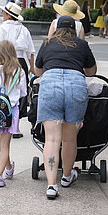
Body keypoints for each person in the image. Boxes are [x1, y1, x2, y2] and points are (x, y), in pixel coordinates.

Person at [34, 16, 97, 200]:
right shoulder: (82, 45)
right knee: (70, 138)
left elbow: (38, 71)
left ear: (57, 28)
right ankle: (67, 177)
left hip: (51, 85)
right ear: (75, 30)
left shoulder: (47, 43)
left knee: (52, 139)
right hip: (75, 85)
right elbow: (92, 71)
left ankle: (52, 185)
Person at [0, 2, 36, 139]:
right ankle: (15, 127)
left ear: (7, 14)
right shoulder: (24, 29)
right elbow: (31, 51)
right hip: (20, 62)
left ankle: (0, 119)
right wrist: (32, 67)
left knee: (2, 89)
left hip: (4, 60)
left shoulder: (2, 28)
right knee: (19, 95)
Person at [0, 40, 27, 188]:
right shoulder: (19, 71)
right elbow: (23, 92)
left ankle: (9, 168)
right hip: (11, 111)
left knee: (2, 144)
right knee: (5, 145)